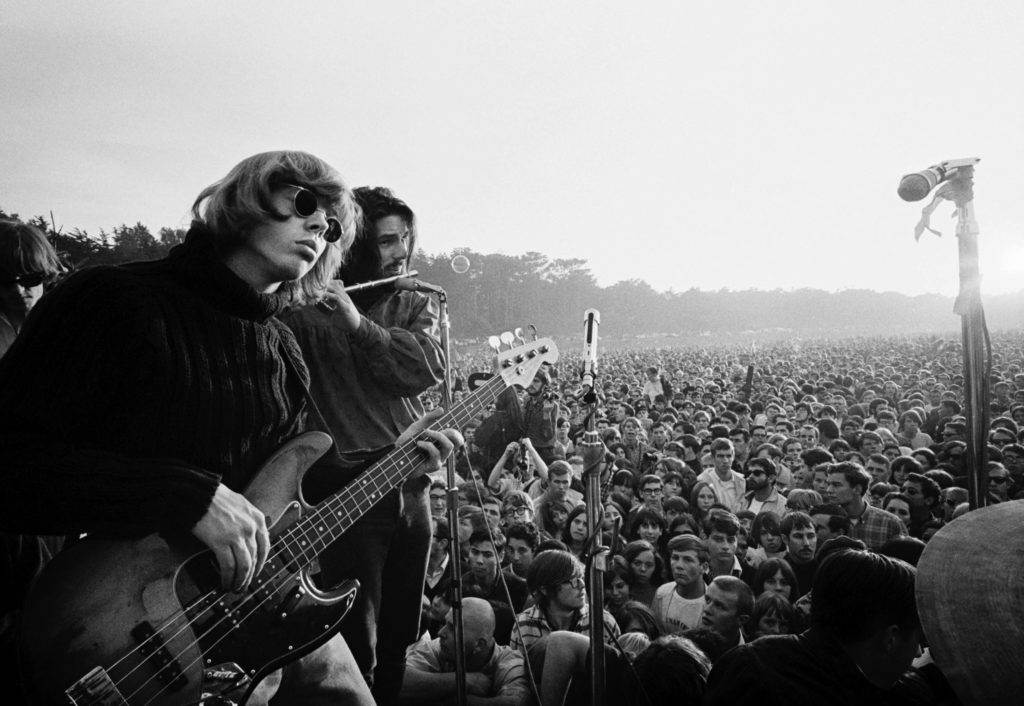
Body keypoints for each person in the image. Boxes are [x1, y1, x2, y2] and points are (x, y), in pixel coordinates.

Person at [2, 151, 458, 705]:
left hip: (232, 617)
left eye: (333, 225)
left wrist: (397, 458)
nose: (320, 225)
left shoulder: (282, 351)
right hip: (111, 623)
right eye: (304, 202)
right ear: (244, 202)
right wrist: (188, 497)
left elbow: (291, 490)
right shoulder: (111, 301)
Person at [281, 185, 446, 703]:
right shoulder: (303, 305)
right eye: (388, 241)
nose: (401, 252)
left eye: (405, 239)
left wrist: (358, 323)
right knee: (358, 643)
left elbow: (421, 370)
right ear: (353, 247)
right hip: (346, 490)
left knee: (402, 632)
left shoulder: (416, 301)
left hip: (412, 483)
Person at [704, 549, 922, 706]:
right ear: (891, 638)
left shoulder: (746, 662)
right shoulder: (751, 670)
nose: (918, 651)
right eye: (917, 636)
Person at [400, 597, 530, 705]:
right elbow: (398, 682)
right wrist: (462, 681)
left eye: (452, 628)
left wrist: (457, 700)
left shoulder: (509, 661)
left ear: (479, 645)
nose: (440, 633)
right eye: (445, 624)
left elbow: (517, 702)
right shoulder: (439, 648)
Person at [510, 549, 620, 654]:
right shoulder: (524, 625)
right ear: (545, 589)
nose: (582, 585)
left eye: (581, 578)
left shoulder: (603, 622)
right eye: (572, 581)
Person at [0, 218, 65, 357]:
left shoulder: (66, 324)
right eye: (5, 281)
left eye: (29, 279)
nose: (18, 290)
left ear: (47, 273)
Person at [825, 461, 906, 550]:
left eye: (836, 485)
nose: (829, 490)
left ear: (857, 489)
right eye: (828, 484)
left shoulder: (890, 523)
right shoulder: (824, 520)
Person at [651, 534, 707, 634]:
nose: (679, 565)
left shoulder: (710, 604)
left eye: (688, 560)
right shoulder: (662, 593)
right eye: (675, 558)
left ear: (704, 567)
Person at [698, 575, 753, 651]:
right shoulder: (686, 641)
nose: (707, 609)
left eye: (719, 606)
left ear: (741, 619)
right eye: (707, 600)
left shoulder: (749, 658)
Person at [696, 439, 746, 513]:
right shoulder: (702, 480)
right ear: (713, 458)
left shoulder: (742, 481)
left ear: (733, 457)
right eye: (720, 456)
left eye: (729, 456)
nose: (725, 460)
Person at [780, 511, 818, 597]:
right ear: (785, 539)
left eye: (811, 536)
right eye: (798, 536)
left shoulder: (826, 569)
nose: (806, 543)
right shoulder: (778, 571)